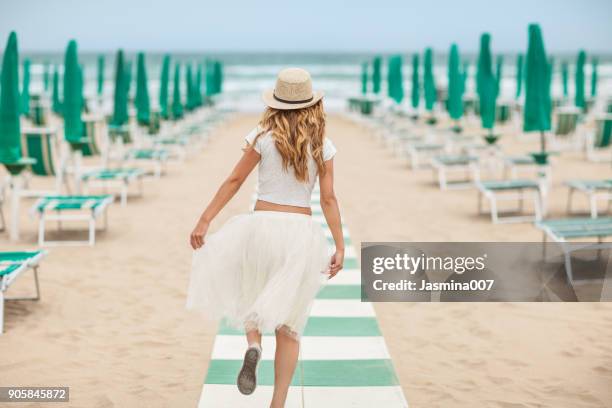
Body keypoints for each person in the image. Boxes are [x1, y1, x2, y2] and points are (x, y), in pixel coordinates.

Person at [186, 67, 344, 407]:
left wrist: (205, 219)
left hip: (260, 228)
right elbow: (329, 200)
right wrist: (340, 246)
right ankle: (278, 404)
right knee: (290, 327)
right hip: (300, 235)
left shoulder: (262, 135)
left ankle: (253, 344)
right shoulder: (322, 146)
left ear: (276, 102)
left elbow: (234, 181)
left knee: (250, 293)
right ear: (312, 103)